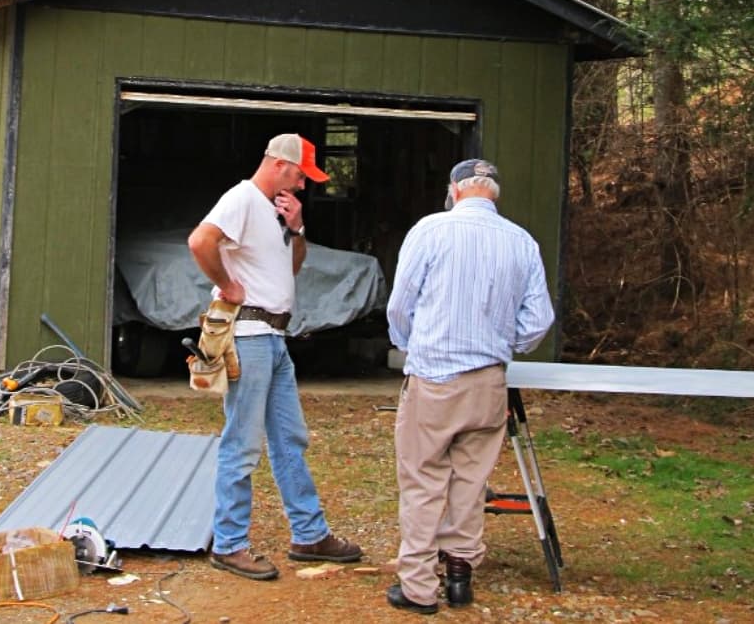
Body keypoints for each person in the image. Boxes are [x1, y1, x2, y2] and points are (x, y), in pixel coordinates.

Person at [187, 132, 362, 580]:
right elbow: (200, 242)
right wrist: (227, 286)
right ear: (281, 165)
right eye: (302, 175)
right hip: (248, 335)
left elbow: (292, 266)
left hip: (274, 337)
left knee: (289, 438)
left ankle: (309, 534)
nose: (304, 184)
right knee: (242, 441)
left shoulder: (274, 210)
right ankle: (229, 544)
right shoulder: (242, 198)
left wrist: (298, 227)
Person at [385, 159, 555, 615]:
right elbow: (539, 321)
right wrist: (500, 344)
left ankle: (419, 587)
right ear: (493, 194)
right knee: (469, 481)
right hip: (488, 383)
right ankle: (460, 577)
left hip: (435, 377)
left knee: (423, 481)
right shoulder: (522, 242)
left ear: (454, 189)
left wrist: (409, 346)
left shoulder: (430, 230)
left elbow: (400, 306)